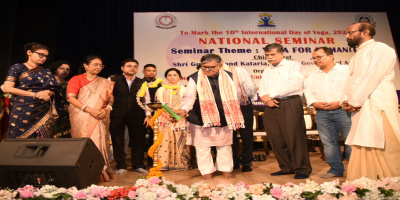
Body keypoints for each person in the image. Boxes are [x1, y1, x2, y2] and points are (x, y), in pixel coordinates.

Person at [342, 22, 400, 181]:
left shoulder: (380, 49)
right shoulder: (356, 55)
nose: (347, 36)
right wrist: (345, 100)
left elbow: (373, 76)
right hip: (360, 103)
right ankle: (367, 181)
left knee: (383, 139)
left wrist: (354, 100)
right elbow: (350, 80)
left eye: (350, 33)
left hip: (378, 100)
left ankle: (389, 181)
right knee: (364, 138)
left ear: (365, 32)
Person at [175, 54, 245, 180]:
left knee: (224, 145)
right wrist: (183, 109)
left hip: (224, 116)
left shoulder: (230, 77)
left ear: (220, 65)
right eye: (204, 67)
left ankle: (226, 169)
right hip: (200, 118)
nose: (207, 70)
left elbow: (237, 94)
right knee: (202, 147)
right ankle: (206, 171)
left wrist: (233, 110)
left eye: (211, 67)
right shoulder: (194, 77)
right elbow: (190, 96)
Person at [259, 43, 312, 179]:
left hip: (290, 102)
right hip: (271, 105)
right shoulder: (267, 71)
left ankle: (302, 168)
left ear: (282, 54)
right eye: (267, 55)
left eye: (272, 54)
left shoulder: (294, 66)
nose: (269, 57)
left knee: (295, 137)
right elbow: (262, 87)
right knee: (276, 138)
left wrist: (271, 95)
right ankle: (286, 166)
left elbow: (294, 84)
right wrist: (265, 98)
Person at [304, 47, 352, 178]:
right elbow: (308, 92)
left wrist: (341, 102)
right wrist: (314, 103)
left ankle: (354, 170)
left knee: (350, 141)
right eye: (314, 58)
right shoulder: (313, 76)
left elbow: (352, 88)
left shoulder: (346, 70)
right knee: (329, 142)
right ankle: (335, 169)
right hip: (322, 113)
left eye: (319, 57)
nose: (316, 60)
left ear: (331, 56)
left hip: (344, 110)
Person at [67, 55, 115, 183]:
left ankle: (100, 171)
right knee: (83, 142)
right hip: (81, 115)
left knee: (99, 141)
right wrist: (90, 110)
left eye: (101, 65)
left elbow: (110, 98)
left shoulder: (105, 82)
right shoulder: (76, 79)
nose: (98, 67)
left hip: (100, 116)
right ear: (85, 66)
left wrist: (107, 109)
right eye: (95, 64)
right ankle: (83, 171)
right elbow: (71, 98)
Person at [3, 42, 58, 139]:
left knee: (41, 141)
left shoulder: (47, 72)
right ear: (29, 52)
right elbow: (8, 88)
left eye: (46, 56)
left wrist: (48, 92)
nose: (43, 58)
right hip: (22, 109)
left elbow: (53, 89)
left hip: (43, 110)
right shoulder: (17, 67)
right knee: (18, 138)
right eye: (41, 55)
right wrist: (35, 94)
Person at [110, 59, 151, 175]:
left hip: (136, 114)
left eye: (135, 66)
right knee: (117, 140)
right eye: (129, 66)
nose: (132, 68)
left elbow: (146, 100)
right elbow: (107, 96)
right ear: (122, 68)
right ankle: (121, 166)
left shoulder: (142, 82)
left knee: (138, 140)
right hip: (117, 114)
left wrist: (147, 115)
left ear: (138, 69)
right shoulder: (112, 80)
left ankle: (138, 165)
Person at [222, 64, 257, 172]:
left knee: (246, 134)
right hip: (226, 107)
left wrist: (243, 98)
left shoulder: (238, 71)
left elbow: (251, 87)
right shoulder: (214, 74)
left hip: (243, 105)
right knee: (229, 136)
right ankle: (233, 162)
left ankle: (246, 163)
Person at [155, 68, 190, 170]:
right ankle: (163, 165)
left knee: (181, 141)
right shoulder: (161, 90)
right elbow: (158, 104)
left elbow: (188, 105)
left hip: (181, 118)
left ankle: (182, 165)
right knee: (163, 142)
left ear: (179, 76)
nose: (172, 77)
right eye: (169, 75)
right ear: (166, 77)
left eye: (175, 75)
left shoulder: (185, 89)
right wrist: (167, 115)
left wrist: (178, 114)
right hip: (164, 118)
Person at [142, 64, 161, 166]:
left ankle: (153, 160)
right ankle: (141, 161)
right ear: (143, 72)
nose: (151, 72)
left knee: (155, 137)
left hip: (158, 114)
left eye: (154, 70)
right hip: (143, 114)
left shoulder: (160, 84)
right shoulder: (140, 83)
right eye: (149, 70)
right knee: (141, 138)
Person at [50, 60, 72, 138]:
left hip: (66, 113)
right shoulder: (48, 82)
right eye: (62, 68)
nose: (65, 71)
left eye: (67, 69)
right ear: (55, 69)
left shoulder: (70, 84)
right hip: (50, 112)